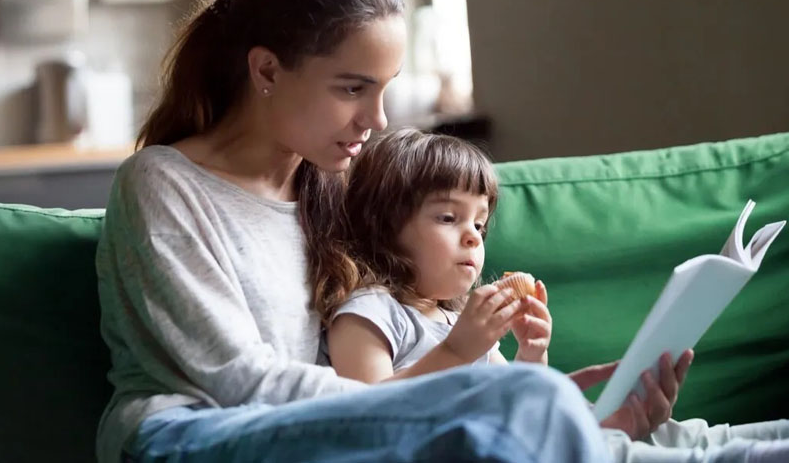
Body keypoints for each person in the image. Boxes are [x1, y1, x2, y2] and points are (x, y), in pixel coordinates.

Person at [95, 0, 614, 462]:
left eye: (384, 88)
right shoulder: (163, 185)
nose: (378, 119)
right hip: (189, 434)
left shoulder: (337, 187)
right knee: (523, 412)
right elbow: (238, 380)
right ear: (267, 71)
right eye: (351, 89)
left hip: (323, 432)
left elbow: (416, 330)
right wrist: (448, 400)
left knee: (547, 420)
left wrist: (545, 408)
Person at [320, 128, 789, 463]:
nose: (473, 238)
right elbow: (363, 415)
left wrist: (532, 355)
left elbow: (521, 402)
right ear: (383, 227)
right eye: (448, 218)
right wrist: (456, 351)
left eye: (479, 224)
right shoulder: (370, 313)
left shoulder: (452, 318)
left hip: (536, 442)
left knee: (685, 435)